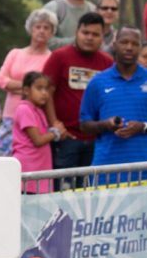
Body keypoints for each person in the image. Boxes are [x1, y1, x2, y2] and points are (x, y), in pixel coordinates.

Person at [78, 27, 147, 176]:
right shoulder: (97, 82)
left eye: (134, 43)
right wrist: (106, 124)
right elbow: (84, 125)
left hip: (145, 171)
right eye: (124, 42)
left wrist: (143, 127)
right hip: (106, 170)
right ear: (114, 44)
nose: (129, 47)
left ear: (139, 47)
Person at [42, 12, 113, 174]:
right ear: (76, 33)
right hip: (66, 138)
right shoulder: (59, 56)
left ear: (103, 37)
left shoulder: (108, 62)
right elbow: (47, 92)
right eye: (85, 33)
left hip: (97, 139)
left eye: (95, 34)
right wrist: (55, 124)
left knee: (90, 191)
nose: (89, 37)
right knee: (63, 190)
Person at [0, 9, 56, 157]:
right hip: (10, 115)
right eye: (38, 26)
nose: (41, 31)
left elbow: (48, 89)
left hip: (35, 118)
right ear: (30, 29)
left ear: (52, 33)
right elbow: (1, 80)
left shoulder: (52, 59)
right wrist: (30, 87)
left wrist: (15, 86)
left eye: (46, 28)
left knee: (26, 159)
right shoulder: (16, 53)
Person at [12, 71, 62, 193]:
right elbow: (38, 140)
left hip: (39, 168)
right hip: (29, 168)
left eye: (46, 89)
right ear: (26, 90)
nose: (44, 93)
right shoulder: (24, 109)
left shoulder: (38, 110)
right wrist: (56, 132)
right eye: (39, 88)